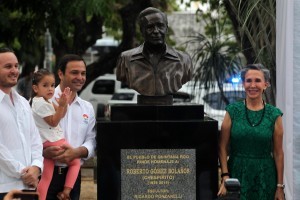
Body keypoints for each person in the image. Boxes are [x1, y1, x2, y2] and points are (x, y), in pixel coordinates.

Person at [218, 64, 285, 200]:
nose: (252, 85)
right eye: (249, 81)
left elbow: (278, 153)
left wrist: (279, 187)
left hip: (265, 177)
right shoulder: (232, 111)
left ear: (265, 85)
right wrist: (225, 176)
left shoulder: (274, 115)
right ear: (243, 84)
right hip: (236, 173)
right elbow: (222, 147)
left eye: (257, 81)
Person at [43, 54, 96, 200]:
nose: (80, 77)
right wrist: (43, 151)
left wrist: (78, 151)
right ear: (60, 74)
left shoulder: (87, 108)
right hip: (45, 173)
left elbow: (92, 139)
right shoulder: (43, 102)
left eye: (83, 73)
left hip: (73, 177)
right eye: (74, 72)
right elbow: (29, 135)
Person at [116, 7, 193, 97]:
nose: (156, 31)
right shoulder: (125, 59)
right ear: (142, 31)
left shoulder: (184, 60)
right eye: (150, 27)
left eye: (160, 26)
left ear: (166, 29)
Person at [30, 69, 80, 200]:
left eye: (52, 85)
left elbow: (60, 114)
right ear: (35, 88)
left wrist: (64, 104)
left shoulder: (45, 100)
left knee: (46, 177)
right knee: (75, 162)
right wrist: (62, 106)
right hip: (54, 141)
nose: (50, 89)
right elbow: (53, 121)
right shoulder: (40, 102)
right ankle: (66, 192)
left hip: (48, 142)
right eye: (45, 85)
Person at [0, 47, 43, 199]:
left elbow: (35, 139)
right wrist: (24, 172)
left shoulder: (24, 103)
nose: (14, 70)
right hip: (4, 187)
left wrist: (37, 167)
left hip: (28, 187)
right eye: (8, 66)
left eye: (16, 66)